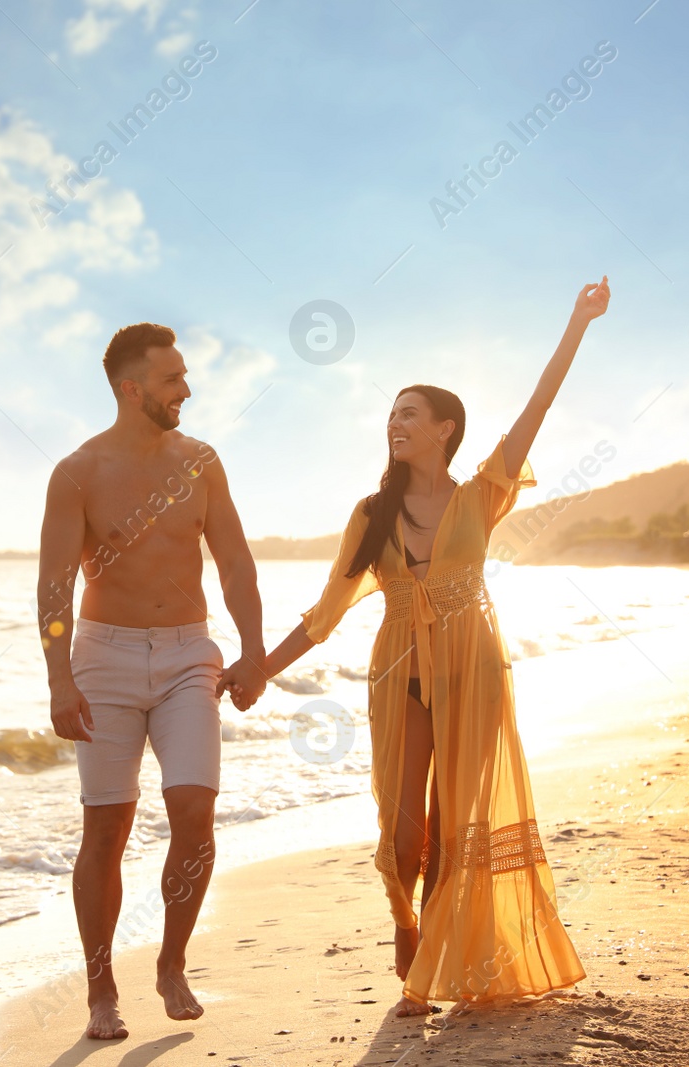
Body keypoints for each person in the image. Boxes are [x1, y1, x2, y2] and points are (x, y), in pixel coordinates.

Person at [223, 277, 610, 1015]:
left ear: (444, 429)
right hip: (400, 668)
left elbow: (539, 406)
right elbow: (324, 614)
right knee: (405, 834)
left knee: (457, 826)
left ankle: (429, 975)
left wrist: (578, 322)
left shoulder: (480, 496)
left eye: (408, 414)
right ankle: (414, 961)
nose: (394, 424)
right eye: (390, 415)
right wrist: (257, 672)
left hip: (475, 667)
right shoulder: (371, 514)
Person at [37, 322, 267, 1041]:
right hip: (102, 658)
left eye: (185, 376)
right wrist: (59, 682)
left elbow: (233, 561)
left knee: (195, 809)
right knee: (107, 825)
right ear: (131, 388)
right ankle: (101, 988)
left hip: (186, 655)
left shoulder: (201, 462)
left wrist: (254, 648)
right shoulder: (78, 472)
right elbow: (53, 588)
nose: (187, 390)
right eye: (173, 380)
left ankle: (171, 962)